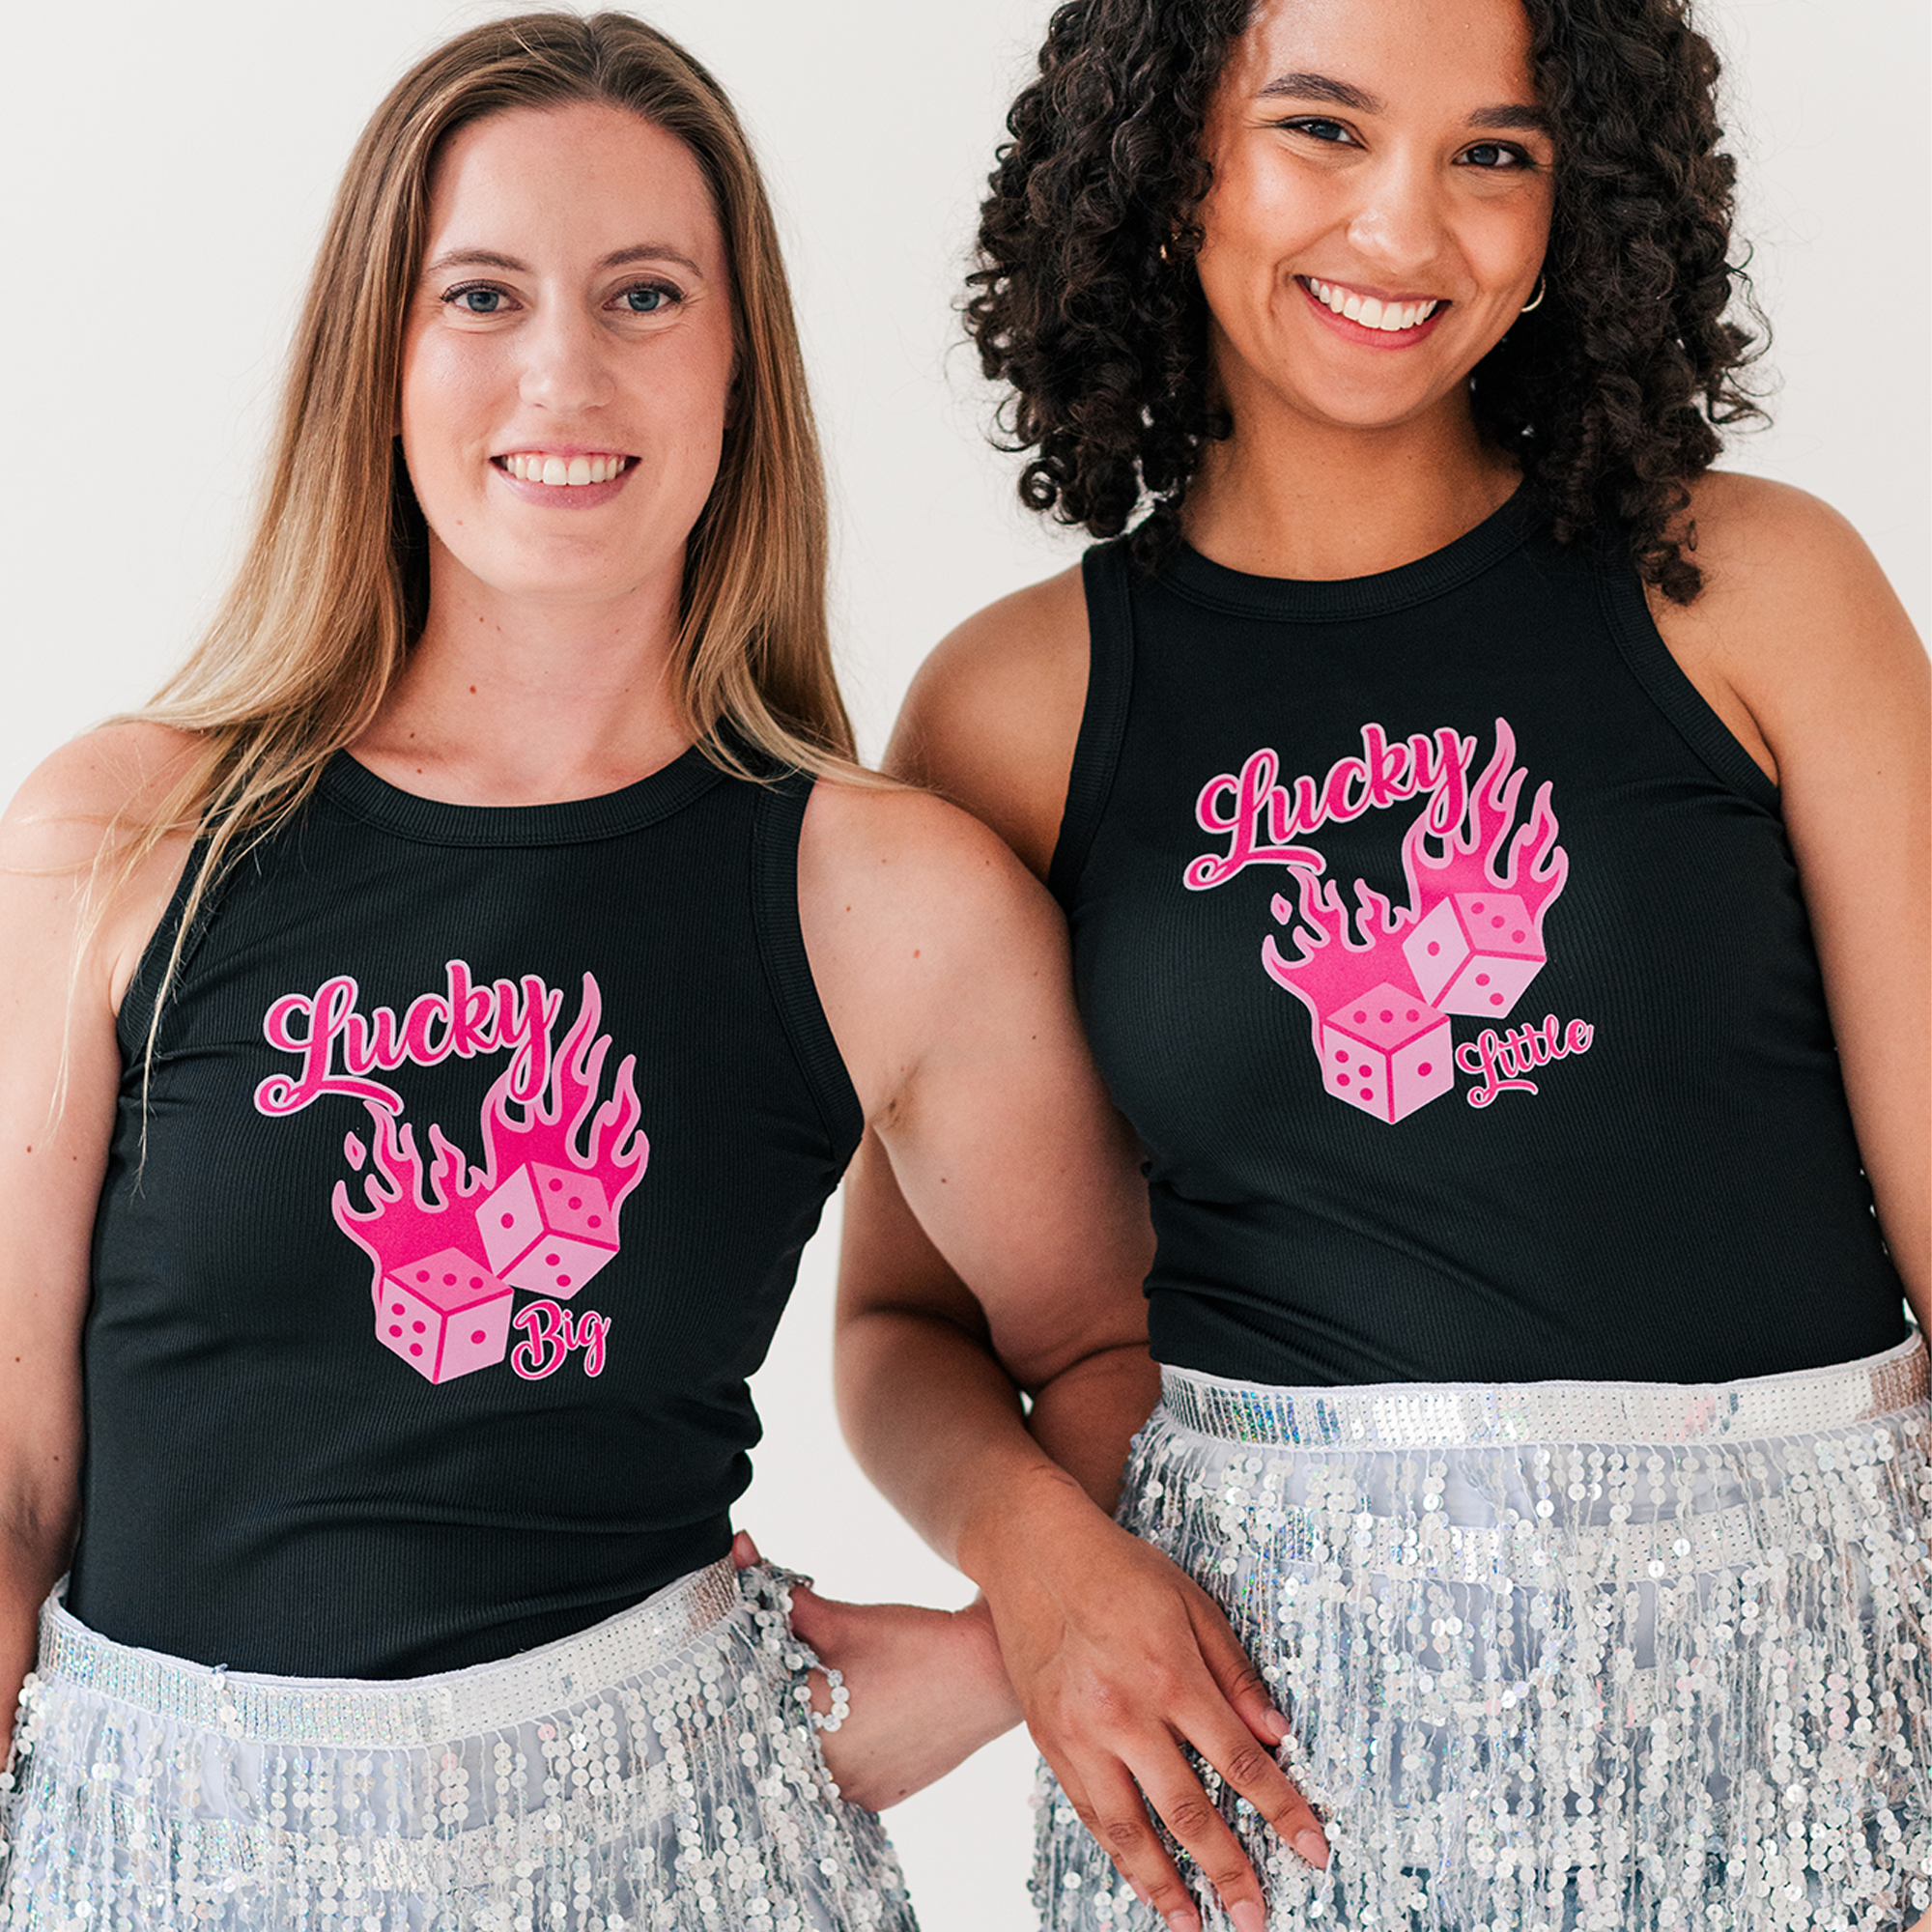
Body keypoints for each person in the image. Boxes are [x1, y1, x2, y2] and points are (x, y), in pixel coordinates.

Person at [0, 12, 1222, 1925]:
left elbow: (1114, 1355)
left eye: (643, 294)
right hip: (150, 1857)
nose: (563, 368)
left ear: (736, 361)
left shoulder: (880, 894)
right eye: (479, 293)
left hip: (676, 1857)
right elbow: (10, 1471)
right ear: (378, 362)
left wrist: (1005, 1648)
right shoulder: (121, 835)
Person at [838, 0, 1932, 1926]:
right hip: (1274, 1771)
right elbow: (901, 1327)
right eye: (1321, 131)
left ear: (1585, 193)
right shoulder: (1016, 708)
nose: (1404, 234)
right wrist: (1038, 1558)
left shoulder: (1756, 593)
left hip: (1812, 1736)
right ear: (1166, 148)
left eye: (1493, 154)